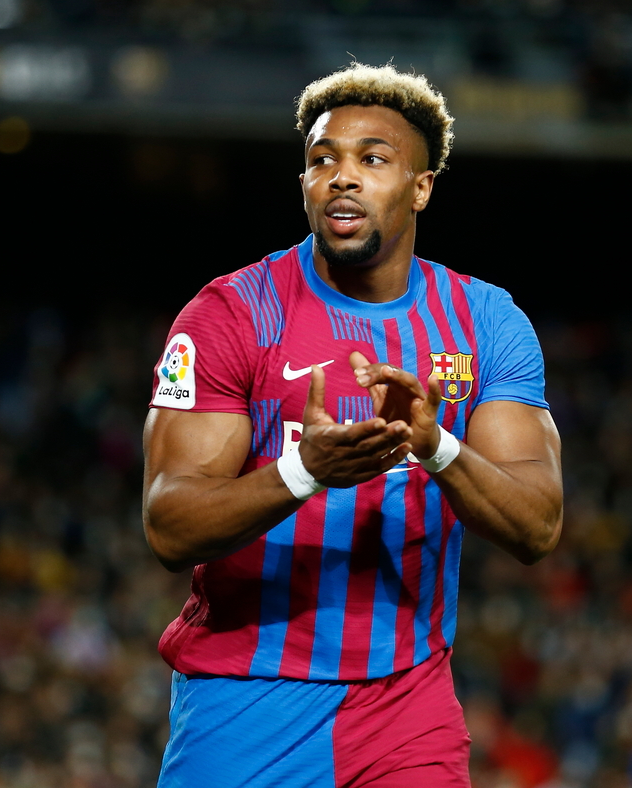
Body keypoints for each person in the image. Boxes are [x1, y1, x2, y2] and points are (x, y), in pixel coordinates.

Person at [141, 62, 564, 788]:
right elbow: (168, 527)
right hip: (247, 697)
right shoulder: (232, 314)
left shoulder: (487, 322)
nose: (342, 176)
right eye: (322, 160)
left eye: (373, 159)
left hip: (407, 700)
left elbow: (538, 526)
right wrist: (305, 471)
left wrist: (436, 447)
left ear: (421, 187)